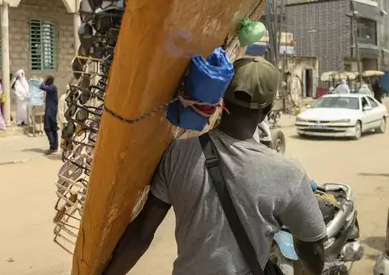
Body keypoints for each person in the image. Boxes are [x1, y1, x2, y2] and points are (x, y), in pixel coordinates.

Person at [103, 57, 326, 275]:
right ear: (266, 112)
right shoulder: (288, 173)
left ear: (221, 100)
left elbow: (142, 232)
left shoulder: (177, 154)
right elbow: (312, 248)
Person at [40, 75, 59, 155]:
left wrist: (42, 81)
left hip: (50, 112)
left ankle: (53, 146)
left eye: (47, 81)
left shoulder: (52, 87)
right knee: (53, 129)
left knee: (48, 128)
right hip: (51, 111)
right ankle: (54, 146)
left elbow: (41, 87)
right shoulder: (52, 88)